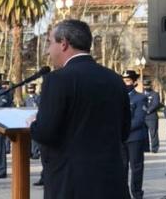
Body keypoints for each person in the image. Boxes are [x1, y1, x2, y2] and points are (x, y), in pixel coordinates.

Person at [29, 19, 130, 198]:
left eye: (50, 43)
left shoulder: (57, 80)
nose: (48, 50)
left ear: (64, 44)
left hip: (72, 184)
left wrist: (34, 124)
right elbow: (124, 131)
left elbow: (46, 134)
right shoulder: (114, 79)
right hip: (110, 181)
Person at [121, 70, 147, 199]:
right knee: (122, 167)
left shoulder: (140, 97)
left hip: (134, 138)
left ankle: (137, 193)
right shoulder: (117, 97)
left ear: (134, 82)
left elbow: (139, 120)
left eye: (128, 81)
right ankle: (123, 193)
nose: (125, 83)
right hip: (120, 139)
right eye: (123, 81)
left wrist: (121, 129)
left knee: (136, 167)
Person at [25, 83, 41, 159]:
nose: (30, 90)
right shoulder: (26, 99)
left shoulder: (38, 97)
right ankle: (29, 152)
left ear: (34, 89)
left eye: (32, 88)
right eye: (29, 89)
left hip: (36, 119)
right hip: (28, 120)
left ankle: (35, 152)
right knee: (28, 138)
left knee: (35, 138)